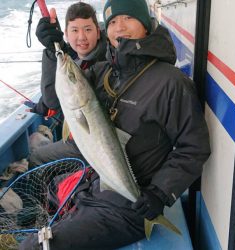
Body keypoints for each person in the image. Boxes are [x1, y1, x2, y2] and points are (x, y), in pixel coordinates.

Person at [19, 0, 210, 249]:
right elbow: (56, 98)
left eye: (128, 18)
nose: (119, 27)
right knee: (48, 185)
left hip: (129, 209)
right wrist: (51, 50)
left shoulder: (171, 82)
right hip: (97, 185)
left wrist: (160, 193)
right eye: (112, 21)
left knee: (35, 246)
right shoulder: (104, 72)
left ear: (147, 24)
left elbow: (193, 147)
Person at [27, 2, 107, 167]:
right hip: (78, 135)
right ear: (66, 35)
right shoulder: (71, 59)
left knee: (35, 157)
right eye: (75, 30)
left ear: (98, 33)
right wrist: (52, 50)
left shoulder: (108, 58)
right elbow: (52, 101)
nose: (82, 37)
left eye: (88, 29)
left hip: (95, 142)